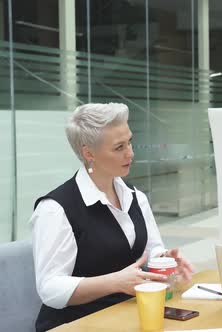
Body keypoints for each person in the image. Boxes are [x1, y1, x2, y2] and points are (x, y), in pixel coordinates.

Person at [30, 103, 195, 331]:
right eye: (119, 147)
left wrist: (164, 259)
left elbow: (150, 251)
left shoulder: (135, 197)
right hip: (76, 325)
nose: (130, 153)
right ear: (89, 153)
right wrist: (115, 282)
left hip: (125, 317)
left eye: (129, 142)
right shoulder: (55, 210)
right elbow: (50, 289)